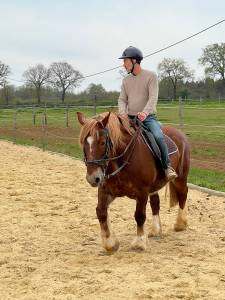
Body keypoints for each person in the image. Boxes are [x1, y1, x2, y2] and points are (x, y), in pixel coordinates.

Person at [118, 46, 177, 181]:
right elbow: (122, 99)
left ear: (134, 61)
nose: (123, 64)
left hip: (148, 118)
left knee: (158, 136)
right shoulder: (126, 80)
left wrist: (145, 112)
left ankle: (167, 167)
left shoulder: (151, 76)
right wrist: (122, 113)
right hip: (129, 118)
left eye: (125, 61)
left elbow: (153, 97)